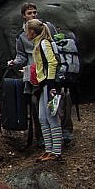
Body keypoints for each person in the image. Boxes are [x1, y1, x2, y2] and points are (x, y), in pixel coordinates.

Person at [7, 2, 73, 145]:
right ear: (23, 16)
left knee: (62, 97)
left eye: (35, 12)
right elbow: (21, 55)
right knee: (35, 103)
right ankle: (42, 136)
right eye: (29, 13)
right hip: (34, 73)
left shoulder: (47, 27)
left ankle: (65, 131)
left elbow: (56, 45)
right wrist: (14, 62)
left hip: (50, 70)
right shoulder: (21, 35)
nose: (33, 15)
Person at [27, 19, 63, 161]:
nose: (25, 33)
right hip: (42, 85)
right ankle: (48, 150)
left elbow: (52, 62)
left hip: (49, 84)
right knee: (42, 117)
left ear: (32, 31)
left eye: (26, 30)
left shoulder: (44, 43)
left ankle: (57, 152)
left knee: (51, 117)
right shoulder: (37, 43)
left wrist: (51, 83)